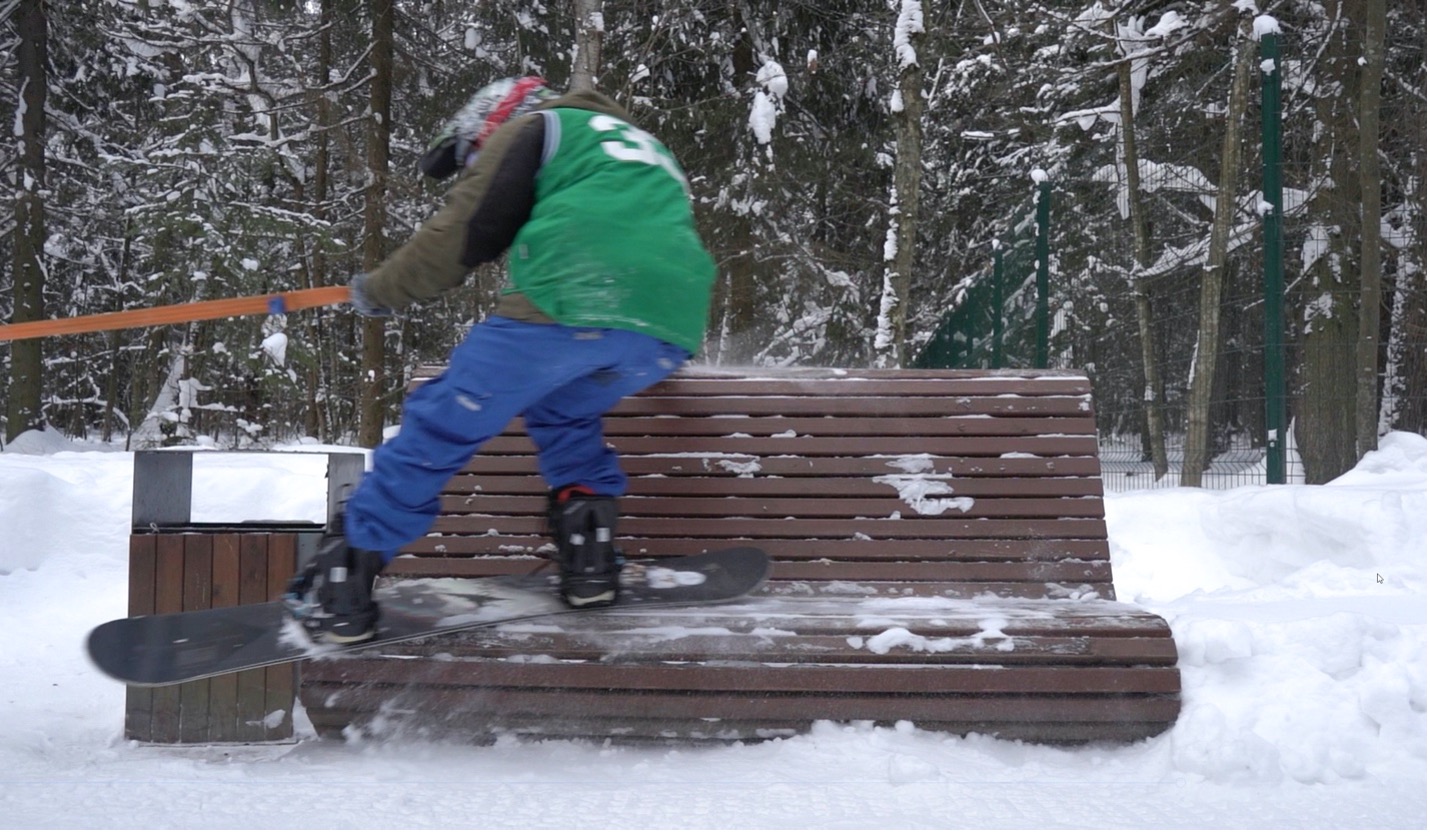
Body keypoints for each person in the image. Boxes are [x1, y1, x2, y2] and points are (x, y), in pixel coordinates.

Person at [287, 77, 715, 643]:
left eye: (472, 157)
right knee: (563, 413)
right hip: (667, 327)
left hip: (573, 294)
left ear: (494, 119)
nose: (473, 168)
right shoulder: (634, 143)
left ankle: (341, 582)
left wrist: (383, 289)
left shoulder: (538, 125)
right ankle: (589, 562)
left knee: (442, 422)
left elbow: (466, 230)